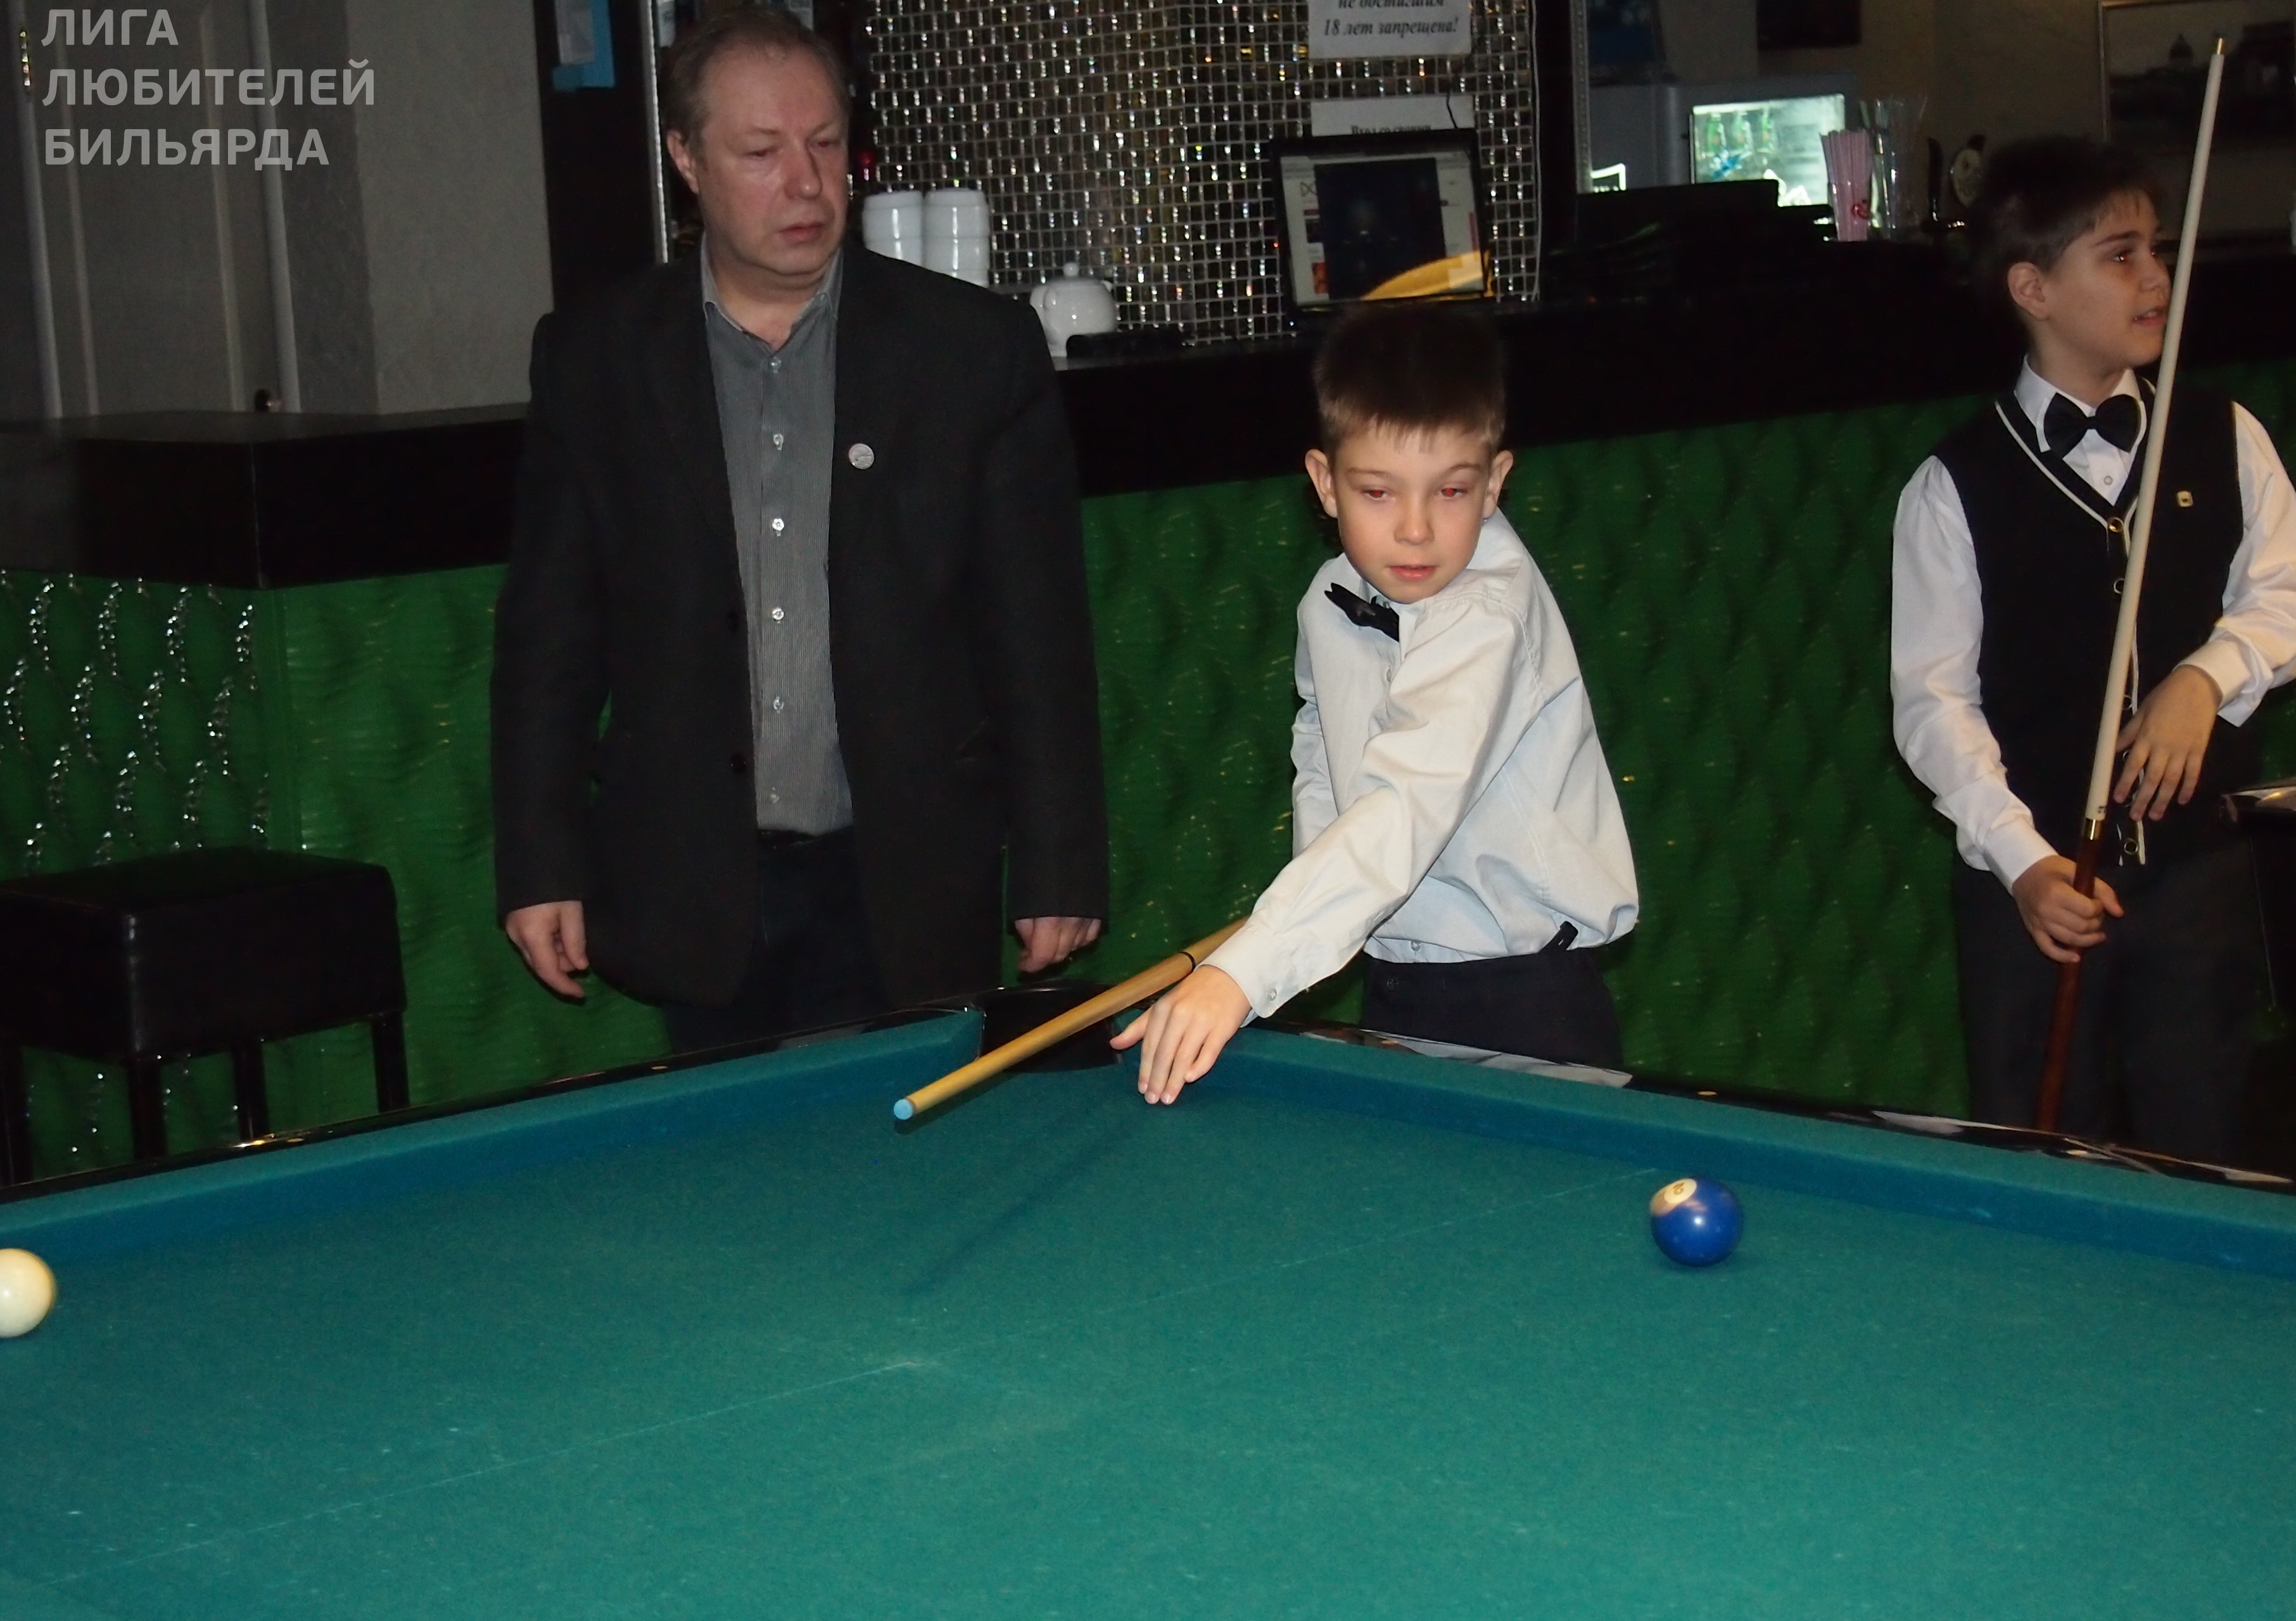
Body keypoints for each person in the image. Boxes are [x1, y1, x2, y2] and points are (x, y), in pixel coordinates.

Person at [493, 6, 1107, 1052]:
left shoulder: (972, 353)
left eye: (825, 144)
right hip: (690, 876)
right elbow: (549, 635)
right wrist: (540, 858)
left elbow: (1037, 634)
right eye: (761, 152)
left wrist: (1059, 860)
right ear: (687, 159)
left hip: (903, 871)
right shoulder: (598, 359)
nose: (807, 183)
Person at [1117, 301, 1640, 1103]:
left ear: (1496, 482)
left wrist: (1247, 970)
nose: (1416, 531)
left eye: (1451, 490)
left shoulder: (1487, 620)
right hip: (1396, 982)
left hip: (1527, 1004)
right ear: (1325, 484)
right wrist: (1299, 927)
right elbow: (1325, 768)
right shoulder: (1330, 597)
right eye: (1379, 493)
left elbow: (1403, 807)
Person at [1891, 137, 2296, 1161]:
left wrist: (2204, 678)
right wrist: (2023, 862)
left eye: (2158, 250)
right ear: (2032, 287)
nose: (2155, 277)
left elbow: (2284, 595)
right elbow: (1933, 704)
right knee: (2041, 1156)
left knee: (2201, 1152)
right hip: (2032, 883)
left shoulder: (2224, 432)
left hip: (2197, 877)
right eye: (2120, 255)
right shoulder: (1952, 484)